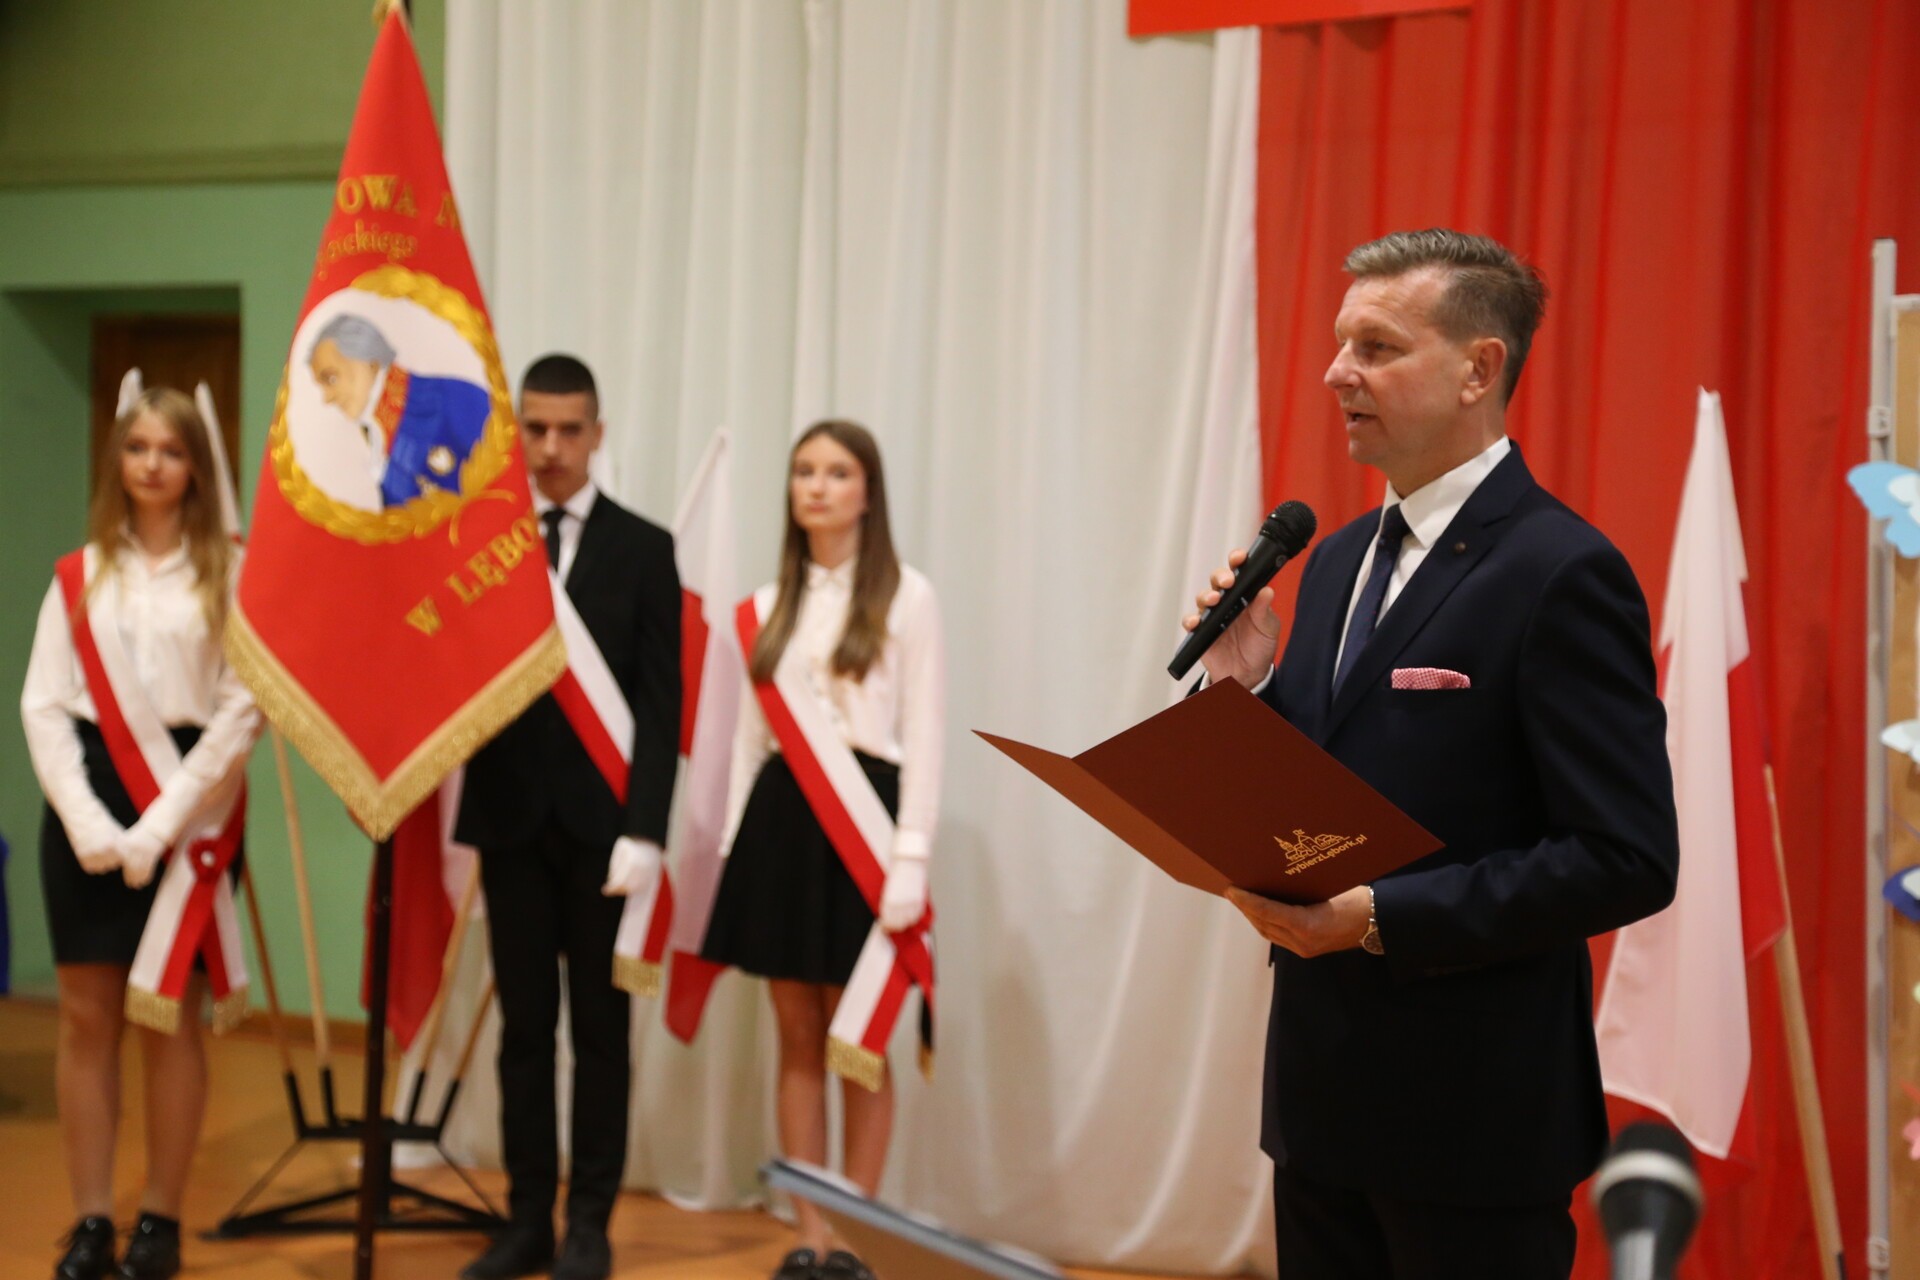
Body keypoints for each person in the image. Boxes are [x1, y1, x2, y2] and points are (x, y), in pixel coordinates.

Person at [1183, 230, 1680, 1278]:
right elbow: (1323, 804)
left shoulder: (1561, 570)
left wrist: (1378, 917)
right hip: (1321, 1101)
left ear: (1477, 369)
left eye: (1375, 346)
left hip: (1475, 1120)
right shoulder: (1332, 561)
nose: (1337, 372)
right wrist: (1249, 690)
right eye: (1339, 343)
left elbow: (1626, 857)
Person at [22, 386, 263, 1280]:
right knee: (87, 1018)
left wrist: (160, 826)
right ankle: (91, 1222)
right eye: (137, 448)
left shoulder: (231, 573)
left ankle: (159, 1220)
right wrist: (90, 824)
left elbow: (242, 709)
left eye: (171, 449)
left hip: (193, 810)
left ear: (196, 464)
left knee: (172, 1020)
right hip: (88, 806)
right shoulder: (80, 575)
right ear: (117, 460)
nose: (153, 465)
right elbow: (45, 705)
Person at [454, 354, 681, 1280]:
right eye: (535, 429)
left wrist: (648, 829)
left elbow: (662, 707)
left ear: (597, 434)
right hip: (509, 822)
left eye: (569, 430)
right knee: (522, 1035)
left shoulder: (644, 548)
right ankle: (525, 1221)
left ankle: (588, 1222)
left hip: (604, 836)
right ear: (517, 432)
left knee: (599, 1035)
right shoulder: (481, 543)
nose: (550, 447)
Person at [702, 420, 944, 1280]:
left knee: (858, 1043)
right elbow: (748, 747)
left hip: (866, 830)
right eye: (804, 470)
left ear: (867, 492)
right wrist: (733, 846)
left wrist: (911, 856)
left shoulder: (907, 597)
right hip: (781, 830)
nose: (816, 486)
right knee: (797, 1036)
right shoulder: (766, 605)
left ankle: (854, 1238)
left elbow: (925, 735)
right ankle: (809, 1233)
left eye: (837, 472)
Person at [306, 311, 491, 508]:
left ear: (371, 363)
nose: (327, 398)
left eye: (332, 378)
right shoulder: (371, 434)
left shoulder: (454, 397)